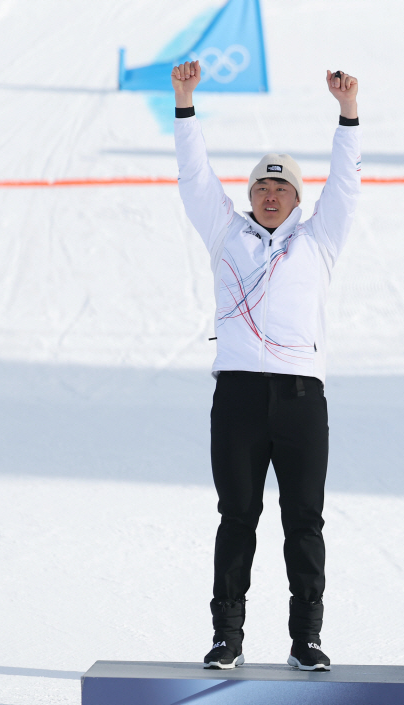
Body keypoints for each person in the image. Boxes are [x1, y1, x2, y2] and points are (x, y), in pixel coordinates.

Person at [170, 61, 361, 670]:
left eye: (281, 190)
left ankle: (306, 639)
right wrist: (184, 103)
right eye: (260, 188)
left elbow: (346, 188)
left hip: (302, 399)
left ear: (298, 201)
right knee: (238, 515)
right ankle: (228, 635)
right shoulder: (226, 235)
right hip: (240, 399)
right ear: (249, 196)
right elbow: (194, 178)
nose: (270, 196)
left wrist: (348, 113)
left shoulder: (318, 241)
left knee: (304, 519)